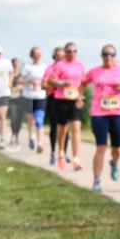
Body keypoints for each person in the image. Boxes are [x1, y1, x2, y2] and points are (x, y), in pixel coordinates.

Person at [83, 44, 120, 191]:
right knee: (101, 147)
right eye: (105, 54)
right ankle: (97, 181)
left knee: (117, 149)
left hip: (117, 113)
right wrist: (80, 96)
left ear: (115, 56)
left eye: (111, 54)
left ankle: (114, 162)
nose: (108, 57)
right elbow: (82, 82)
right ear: (101, 56)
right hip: (99, 113)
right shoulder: (95, 71)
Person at [45, 42, 86, 170]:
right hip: (61, 99)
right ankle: (61, 153)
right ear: (66, 52)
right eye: (69, 51)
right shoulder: (59, 65)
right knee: (63, 129)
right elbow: (50, 81)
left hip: (74, 100)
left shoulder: (80, 65)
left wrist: (80, 96)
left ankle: (76, 158)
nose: (71, 53)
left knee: (76, 127)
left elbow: (83, 82)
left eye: (74, 51)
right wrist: (62, 83)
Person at [42, 46, 69, 165]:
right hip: (53, 99)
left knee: (65, 127)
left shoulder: (68, 68)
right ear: (54, 57)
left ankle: (63, 152)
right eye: (58, 56)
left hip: (67, 99)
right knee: (54, 126)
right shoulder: (50, 68)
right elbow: (43, 85)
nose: (60, 58)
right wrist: (55, 85)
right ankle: (53, 152)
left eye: (63, 56)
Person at [21, 47, 48, 152]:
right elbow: (21, 80)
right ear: (32, 55)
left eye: (39, 54)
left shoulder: (45, 67)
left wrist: (42, 84)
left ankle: (40, 143)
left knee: (39, 120)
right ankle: (31, 136)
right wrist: (29, 81)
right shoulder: (27, 67)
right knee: (31, 120)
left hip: (40, 96)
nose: (38, 56)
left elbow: (48, 81)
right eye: (36, 54)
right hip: (29, 96)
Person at [8, 57, 25, 146]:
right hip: (12, 99)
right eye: (14, 63)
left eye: (17, 63)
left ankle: (17, 134)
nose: (15, 65)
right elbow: (8, 85)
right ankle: (13, 134)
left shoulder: (22, 74)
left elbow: (25, 84)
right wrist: (13, 87)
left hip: (21, 99)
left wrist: (21, 86)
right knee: (13, 117)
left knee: (19, 119)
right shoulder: (10, 74)